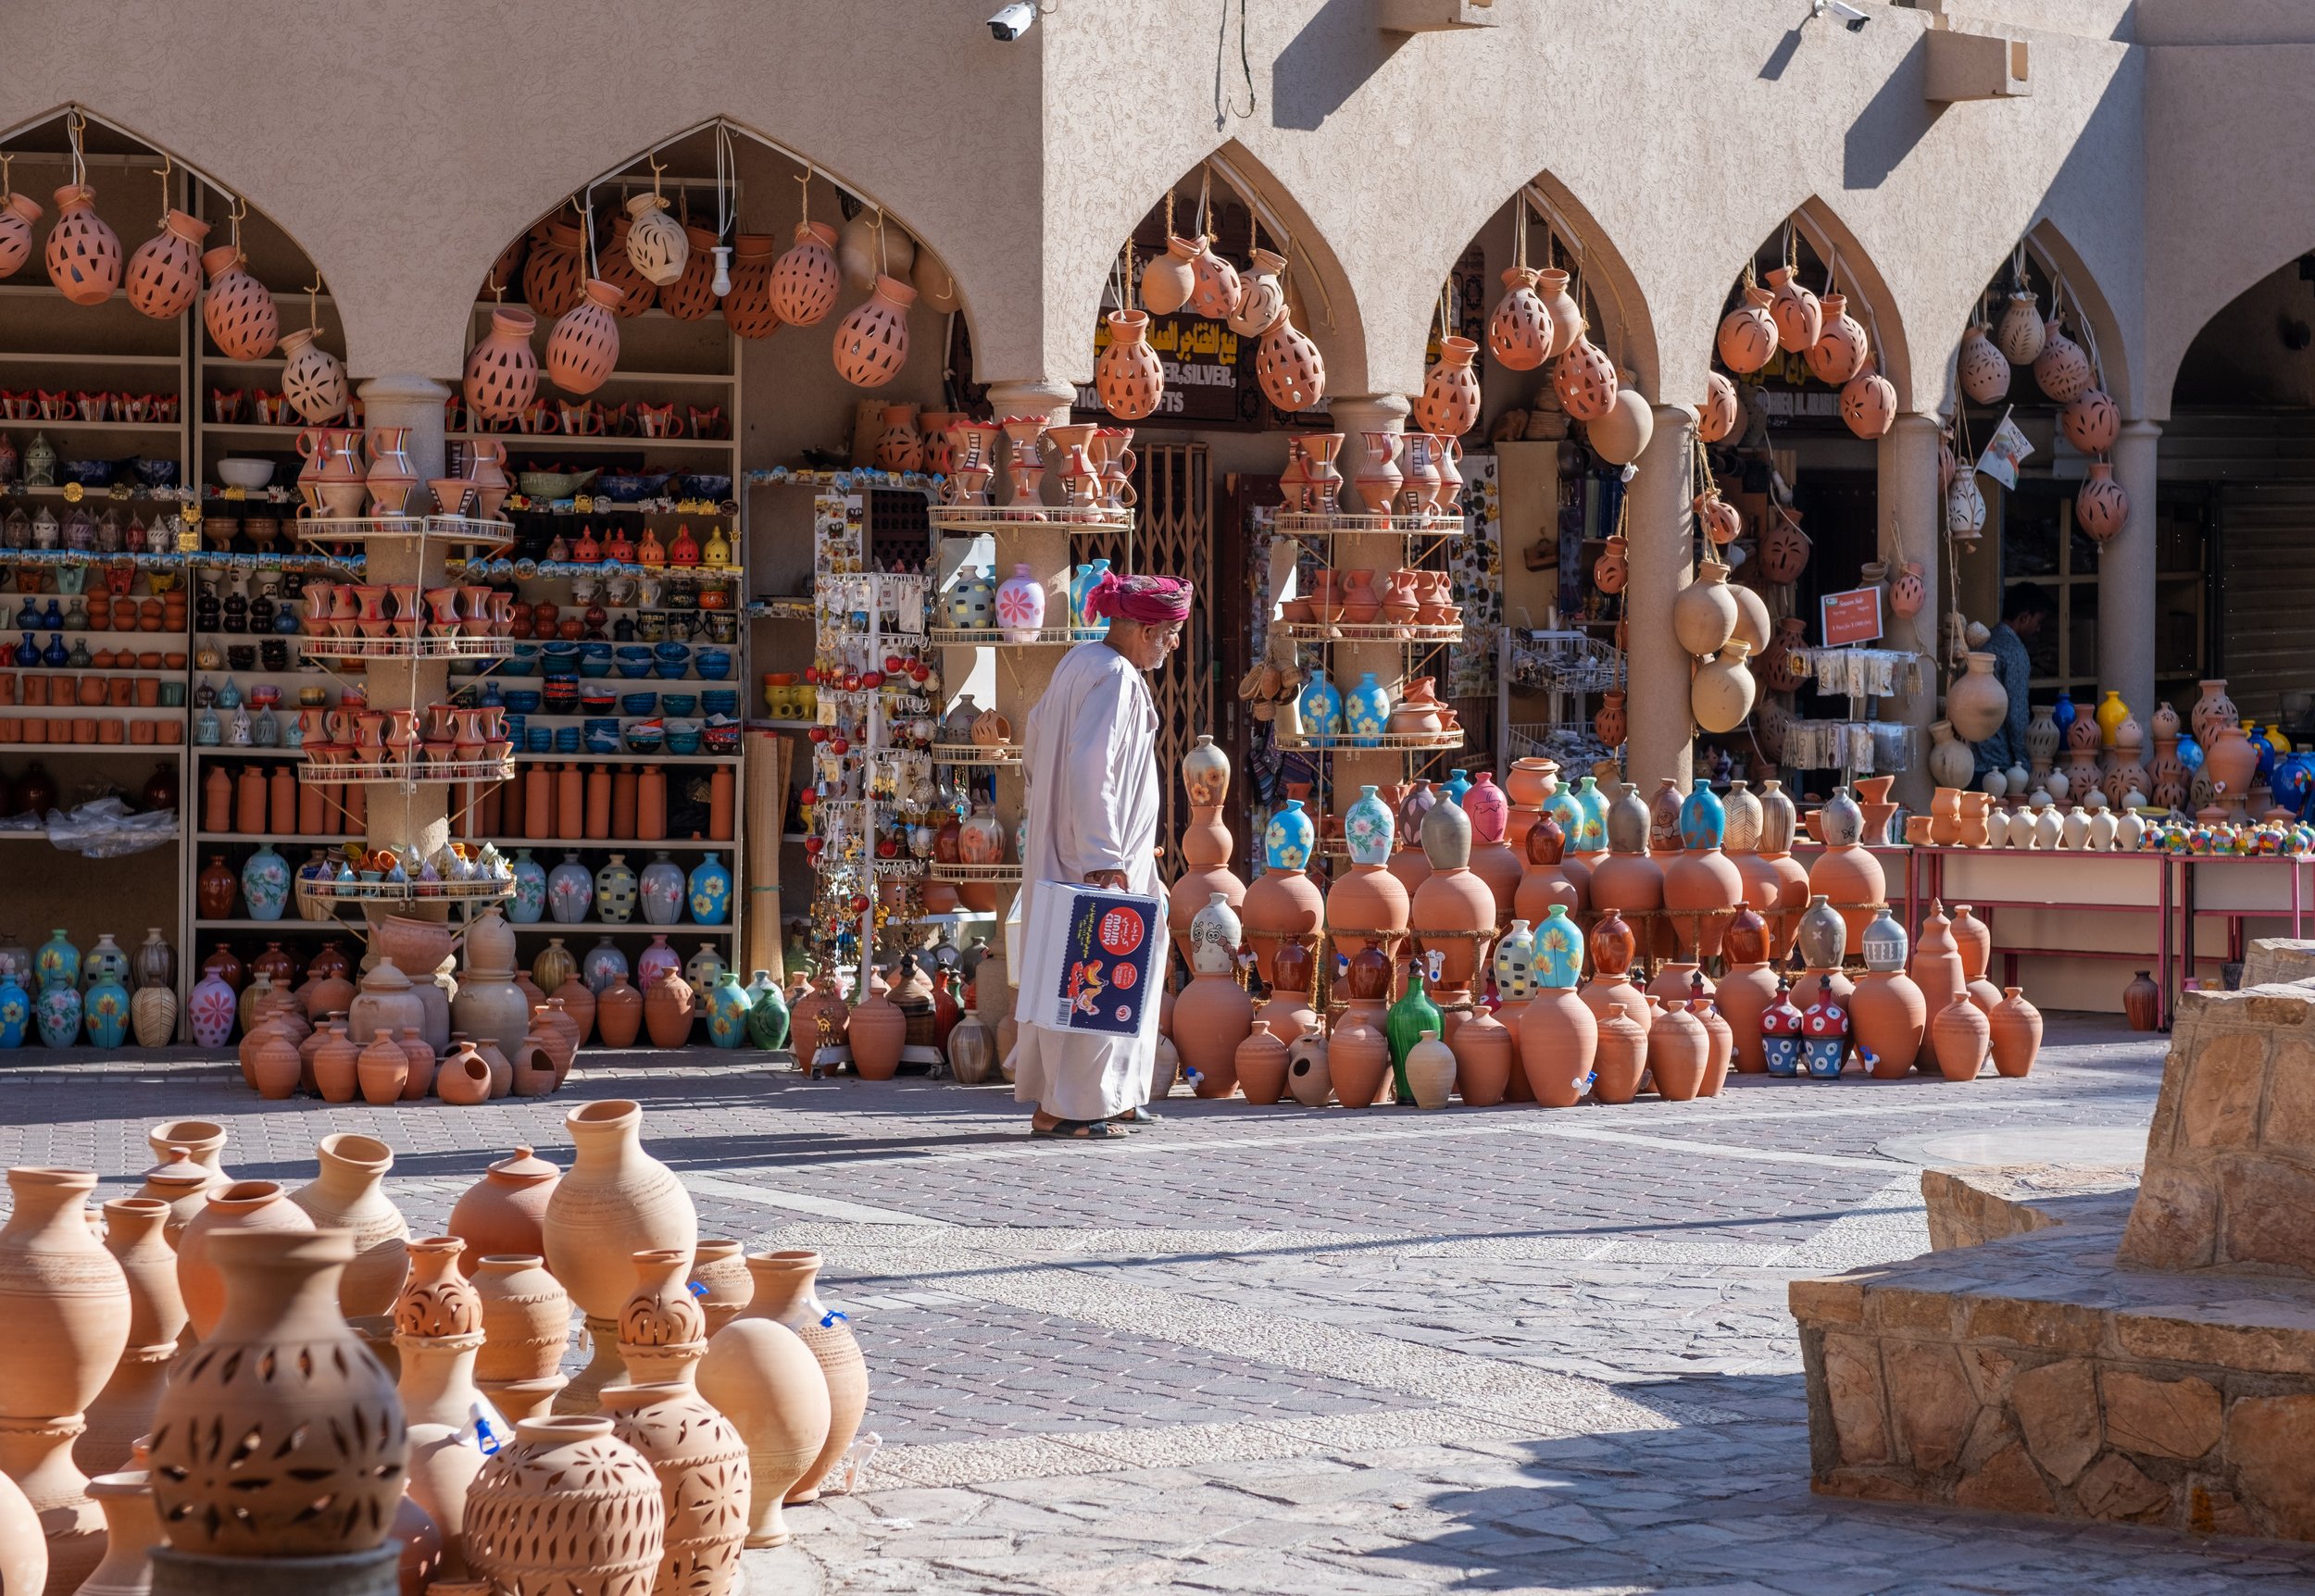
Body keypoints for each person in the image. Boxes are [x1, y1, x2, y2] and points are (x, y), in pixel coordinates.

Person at [1010, 571, 1190, 1141]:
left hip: (1087, 848)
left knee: (1109, 974)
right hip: (1095, 856)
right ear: (1141, 630)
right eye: (1169, 632)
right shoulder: (1113, 676)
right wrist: (1103, 855)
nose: (1174, 643)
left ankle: (1113, 1097)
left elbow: (1036, 742)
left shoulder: (1081, 661)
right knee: (1096, 976)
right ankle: (1070, 1109)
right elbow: (1093, 766)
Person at [1974, 581, 2054, 778]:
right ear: (2024, 617)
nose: (2038, 629)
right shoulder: (2014, 652)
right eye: (2038, 621)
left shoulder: (1986, 641)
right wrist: (2024, 764)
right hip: (1999, 762)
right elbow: (2016, 716)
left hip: (1971, 758)